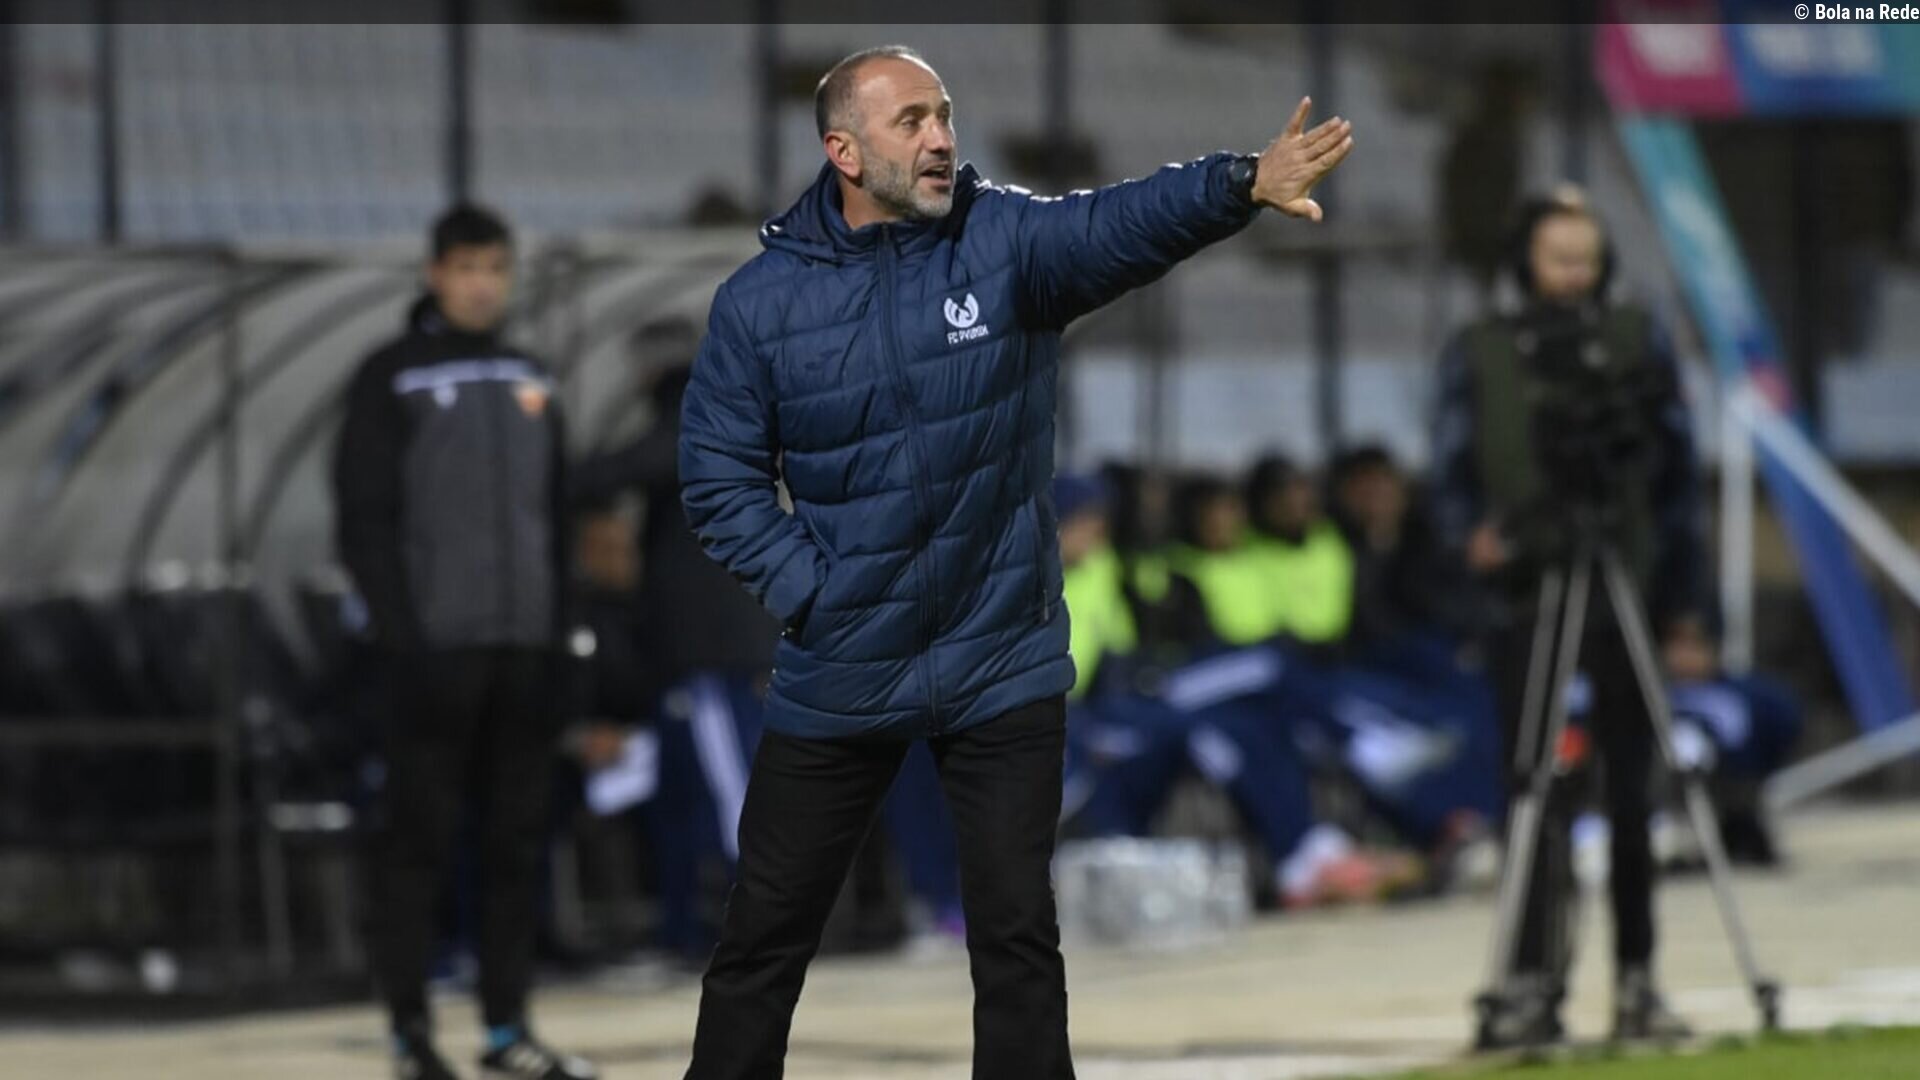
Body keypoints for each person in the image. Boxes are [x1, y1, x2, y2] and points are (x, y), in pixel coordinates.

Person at [675, 44, 1353, 1077]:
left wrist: (1240, 185)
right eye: (911, 120)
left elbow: (1116, 222)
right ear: (843, 152)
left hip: (1002, 659)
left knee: (1017, 940)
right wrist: (816, 593)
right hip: (846, 663)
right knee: (762, 942)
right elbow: (716, 481)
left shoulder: (1002, 243)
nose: (941, 137)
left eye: (944, 114)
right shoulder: (759, 303)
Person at [1432, 186, 1706, 1049]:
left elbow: (1676, 474)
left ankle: (1638, 979)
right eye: (1559, 259)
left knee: (1633, 788)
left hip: (1623, 578)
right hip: (1528, 588)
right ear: (1526, 262)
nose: (1575, 275)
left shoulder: (1634, 336)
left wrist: (1685, 601)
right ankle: (1529, 981)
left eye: (1587, 259)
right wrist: (1471, 538)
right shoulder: (1482, 349)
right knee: (1531, 788)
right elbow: (1450, 469)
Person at [332, 204, 596, 1080]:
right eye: (467, 268)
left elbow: (556, 518)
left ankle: (505, 1028)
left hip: (524, 652)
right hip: (433, 656)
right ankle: (410, 1032)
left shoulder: (531, 376)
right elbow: (364, 521)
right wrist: (403, 637)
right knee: (419, 845)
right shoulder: (392, 376)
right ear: (435, 275)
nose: (483, 285)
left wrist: (562, 636)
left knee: (516, 845)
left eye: (495, 268)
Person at [572, 359, 784, 963]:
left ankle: (762, 925)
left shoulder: (701, 422)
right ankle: (684, 924)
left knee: (730, 791)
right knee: (683, 796)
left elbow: (615, 471)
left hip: (710, 651)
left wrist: (571, 469)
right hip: (695, 654)